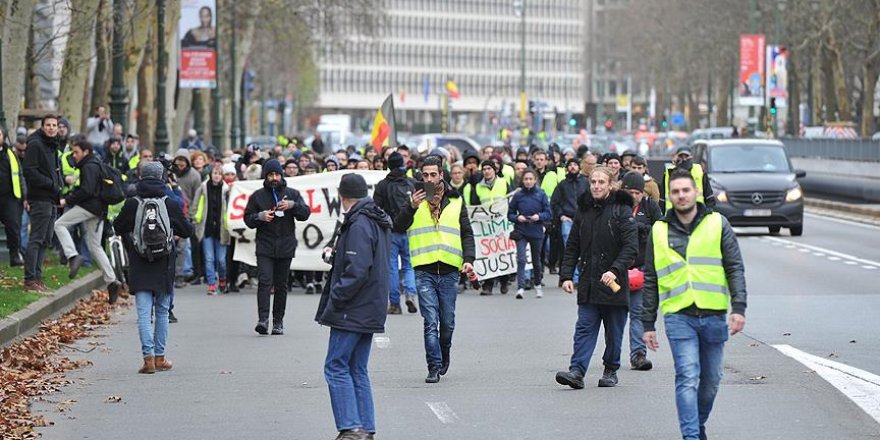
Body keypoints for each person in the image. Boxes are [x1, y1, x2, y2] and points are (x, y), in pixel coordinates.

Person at [642, 169, 747, 440]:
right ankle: (690, 436)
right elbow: (651, 278)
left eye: (685, 190)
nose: (681, 195)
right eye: (675, 191)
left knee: (712, 380)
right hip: (679, 315)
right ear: (669, 196)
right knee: (687, 376)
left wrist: (739, 308)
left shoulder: (717, 223)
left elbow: (734, 267)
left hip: (713, 314)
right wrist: (647, 324)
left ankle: (697, 425)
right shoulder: (659, 229)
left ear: (696, 192)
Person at [316, 174, 391, 440]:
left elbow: (357, 269)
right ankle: (365, 429)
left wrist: (337, 297)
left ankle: (350, 427)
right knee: (357, 368)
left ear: (342, 196)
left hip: (353, 306)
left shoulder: (358, 223)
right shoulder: (375, 218)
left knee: (336, 366)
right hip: (370, 304)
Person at [393, 156, 475, 383]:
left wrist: (469, 259)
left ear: (441, 175)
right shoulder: (414, 199)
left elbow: (466, 232)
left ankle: (444, 352)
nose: (428, 179)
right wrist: (411, 207)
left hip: (449, 268)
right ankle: (433, 366)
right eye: (425, 175)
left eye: (433, 174)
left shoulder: (456, 200)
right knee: (430, 321)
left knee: (447, 322)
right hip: (424, 269)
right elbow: (398, 226)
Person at [556, 166, 638, 389]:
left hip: (614, 284)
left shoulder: (622, 210)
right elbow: (572, 245)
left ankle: (611, 369)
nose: (596, 186)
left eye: (601, 182)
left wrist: (615, 269)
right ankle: (577, 371)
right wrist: (566, 275)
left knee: (614, 333)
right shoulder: (583, 209)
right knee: (584, 328)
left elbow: (630, 247)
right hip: (589, 282)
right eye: (593, 182)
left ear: (610, 185)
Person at [113, 161, 193, 374]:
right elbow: (187, 231)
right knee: (162, 311)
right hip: (164, 263)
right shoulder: (170, 202)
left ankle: (147, 360)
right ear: (161, 177)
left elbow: (118, 226)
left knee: (143, 314)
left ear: (141, 176)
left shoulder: (132, 202)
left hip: (140, 261)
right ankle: (160, 357)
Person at [243, 159, 311, 335]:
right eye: (270, 175)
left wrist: (293, 206)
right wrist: (259, 216)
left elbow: (305, 213)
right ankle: (263, 320)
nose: (274, 178)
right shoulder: (257, 196)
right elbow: (247, 219)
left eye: (277, 174)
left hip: (285, 246)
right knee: (265, 282)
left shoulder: (292, 194)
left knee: (281, 285)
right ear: (265, 176)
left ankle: (278, 321)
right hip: (265, 246)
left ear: (281, 175)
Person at [53, 136, 123, 301]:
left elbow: (87, 190)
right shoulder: (95, 164)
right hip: (99, 210)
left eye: (76, 152)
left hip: (89, 207)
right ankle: (112, 281)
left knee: (59, 224)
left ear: (86, 152)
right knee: (94, 246)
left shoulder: (89, 166)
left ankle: (72, 256)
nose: (74, 155)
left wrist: (67, 200)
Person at [622, 171, 662, 371]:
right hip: (617, 270)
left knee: (637, 313)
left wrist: (640, 227)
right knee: (613, 316)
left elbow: (661, 230)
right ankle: (611, 356)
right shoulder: (615, 206)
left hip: (640, 269)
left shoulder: (650, 206)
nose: (634, 196)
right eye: (630, 192)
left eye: (637, 193)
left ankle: (638, 354)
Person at [373, 152, 418, 315]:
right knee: (409, 265)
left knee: (392, 267)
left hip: (390, 231)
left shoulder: (382, 185)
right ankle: (410, 294)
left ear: (388, 165)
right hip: (410, 230)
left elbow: (375, 209)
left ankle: (394, 304)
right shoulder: (412, 183)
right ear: (402, 164)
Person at [23, 114, 63, 292]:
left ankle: (37, 278)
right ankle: (30, 280)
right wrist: (52, 184)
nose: (51, 128)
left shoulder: (52, 144)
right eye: (48, 125)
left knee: (45, 240)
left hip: (52, 198)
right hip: (40, 198)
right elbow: (30, 171)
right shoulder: (35, 144)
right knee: (37, 239)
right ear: (42, 126)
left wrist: (58, 186)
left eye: (54, 125)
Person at [463, 160, 510, 295]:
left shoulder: (504, 183)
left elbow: (511, 200)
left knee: (502, 252)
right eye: (484, 169)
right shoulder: (478, 187)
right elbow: (474, 206)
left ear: (495, 170)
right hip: (485, 225)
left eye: (489, 168)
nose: (486, 171)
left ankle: (504, 280)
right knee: (488, 254)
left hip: (501, 223)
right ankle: (488, 285)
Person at [508, 169, 551, 299]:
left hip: (536, 230)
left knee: (536, 260)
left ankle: (537, 285)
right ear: (522, 180)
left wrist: (539, 216)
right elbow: (510, 214)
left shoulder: (541, 194)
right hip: (521, 230)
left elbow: (548, 213)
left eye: (530, 179)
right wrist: (517, 218)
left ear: (535, 180)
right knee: (521, 259)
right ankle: (520, 287)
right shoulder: (518, 195)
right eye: (526, 179)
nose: (528, 181)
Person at [192, 165, 229, 295]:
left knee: (221, 260)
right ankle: (212, 284)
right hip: (206, 227)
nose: (217, 176)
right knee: (209, 258)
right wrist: (195, 221)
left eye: (219, 173)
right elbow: (195, 205)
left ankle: (222, 280)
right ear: (210, 174)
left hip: (222, 229)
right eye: (214, 173)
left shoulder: (227, 190)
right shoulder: (203, 188)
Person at [551, 158, 588, 276]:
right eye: (570, 165)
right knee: (570, 249)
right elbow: (555, 202)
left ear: (579, 167)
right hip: (567, 220)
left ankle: (579, 275)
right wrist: (561, 215)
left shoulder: (585, 183)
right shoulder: (562, 184)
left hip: (583, 219)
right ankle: (573, 277)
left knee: (584, 247)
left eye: (575, 164)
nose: (573, 167)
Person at [0, 128, 26, 266]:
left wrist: (24, 195)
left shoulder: (11, 153)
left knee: (13, 227)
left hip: (10, 197)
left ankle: (14, 256)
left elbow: (19, 174)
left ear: (3, 136)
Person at [662, 146, 714, 213]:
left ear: (691, 157)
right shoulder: (669, 172)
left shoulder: (699, 171)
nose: (684, 159)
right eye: (681, 156)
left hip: (698, 213)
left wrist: (708, 212)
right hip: (673, 214)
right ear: (676, 157)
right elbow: (662, 198)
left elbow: (709, 196)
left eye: (686, 156)